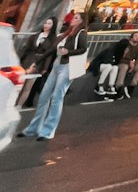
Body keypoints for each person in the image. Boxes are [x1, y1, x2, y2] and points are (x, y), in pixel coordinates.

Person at [18, 11, 87, 142]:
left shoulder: (81, 34)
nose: (73, 19)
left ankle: (48, 130)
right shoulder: (65, 34)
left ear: (81, 21)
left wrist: (69, 51)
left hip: (67, 67)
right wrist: (36, 63)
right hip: (57, 66)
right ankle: (34, 128)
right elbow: (51, 50)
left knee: (57, 98)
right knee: (44, 96)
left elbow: (83, 49)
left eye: (76, 18)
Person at [16, 17, 57, 108]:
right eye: (45, 23)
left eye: (49, 23)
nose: (46, 25)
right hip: (27, 61)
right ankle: (13, 104)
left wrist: (45, 68)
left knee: (28, 87)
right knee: (20, 84)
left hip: (39, 64)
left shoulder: (53, 39)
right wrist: (19, 59)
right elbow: (26, 48)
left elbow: (49, 55)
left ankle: (18, 106)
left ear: (53, 26)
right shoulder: (36, 35)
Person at [114, 32, 138, 99]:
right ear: (131, 38)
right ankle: (118, 86)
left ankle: (132, 86)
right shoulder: (125, 45)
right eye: (136, 36)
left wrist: (134, 64)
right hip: (122, 63)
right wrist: (129, 62)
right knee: (124, 67)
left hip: (131, 64)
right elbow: (119, 57)